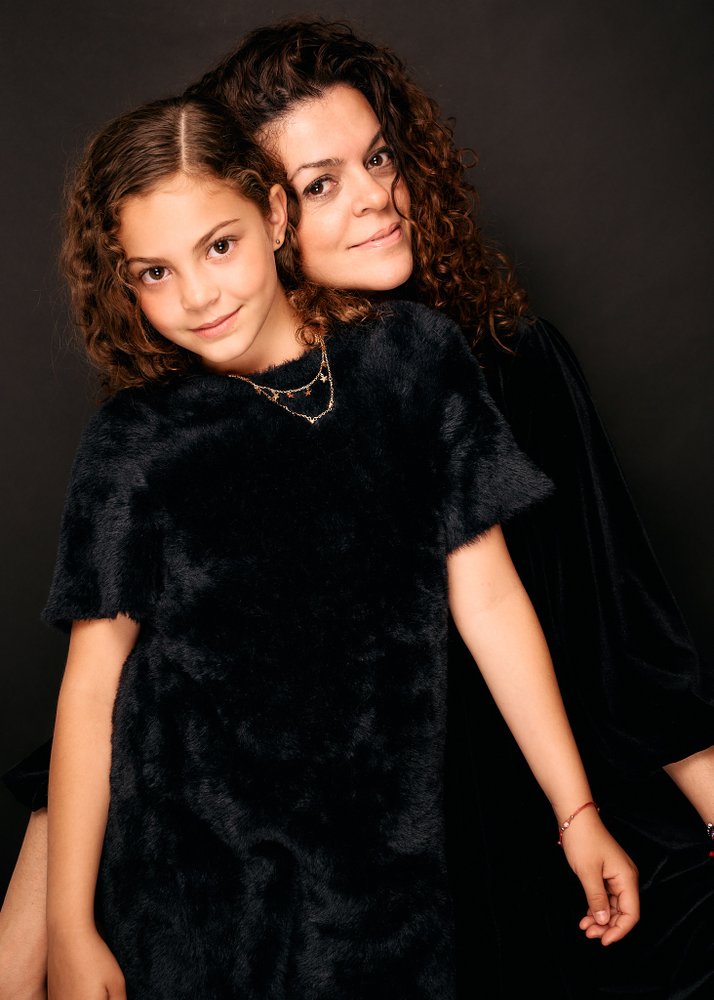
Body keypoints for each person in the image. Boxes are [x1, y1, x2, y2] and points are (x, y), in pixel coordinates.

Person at [2, 17, 712, 999]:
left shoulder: (451, 363)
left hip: (426, 854)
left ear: (261, 221)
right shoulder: (154, 431)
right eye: (323, 181)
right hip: (227, 877)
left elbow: (580, 613)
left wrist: (590, 810)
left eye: (378, 159)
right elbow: (108, 691)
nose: (377, 195)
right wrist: (49, 933)